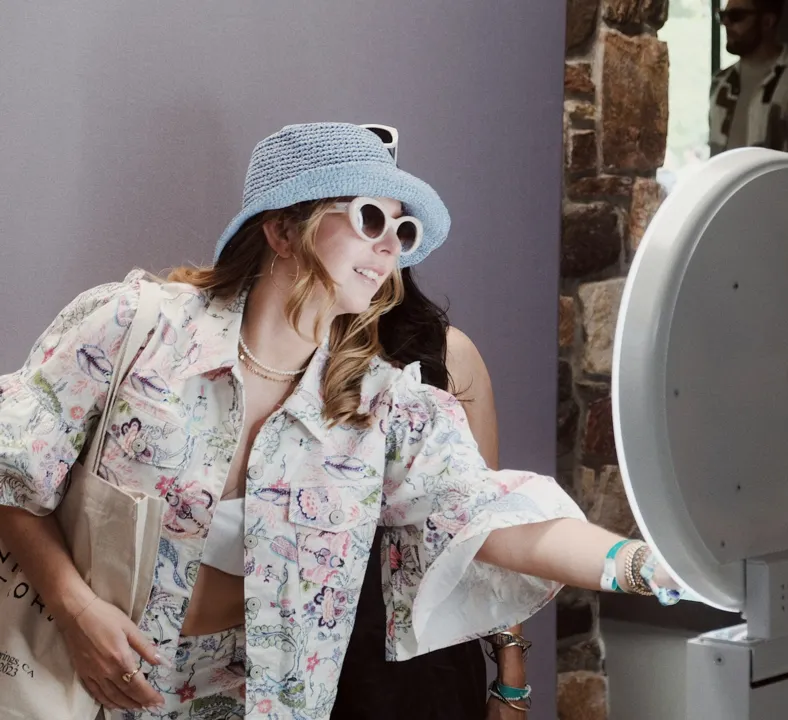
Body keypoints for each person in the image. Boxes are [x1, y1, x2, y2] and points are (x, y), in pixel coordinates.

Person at [0, 122, 685, 719]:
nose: (391, 247)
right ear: (281, 230)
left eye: (403, 230)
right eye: (369, 217)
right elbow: (10, 472)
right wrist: (76, 609)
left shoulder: (380, 408)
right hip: (77, 687)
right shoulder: (134, 329)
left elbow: (492, 517)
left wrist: (642, 565)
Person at [333, 267, 526, 719]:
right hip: (299, 652)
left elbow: (484, 521)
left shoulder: (446, 352)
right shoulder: (283, 353)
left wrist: (511, 674)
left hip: (424, 656)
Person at [710, 0, 788, 163]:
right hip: (727, 179)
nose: (726, 23)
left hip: (781, 180)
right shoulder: (720, 82)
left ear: (767, 22)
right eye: (722, 15)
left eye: (736, 16)